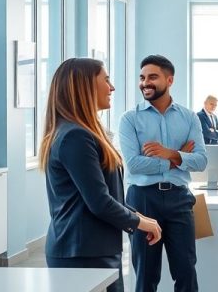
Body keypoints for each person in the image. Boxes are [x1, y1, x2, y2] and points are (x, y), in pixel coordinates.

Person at [40, 58, 162, 292]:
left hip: (94, 249)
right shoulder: (76, 137)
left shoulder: (81, 133)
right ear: (84, 86)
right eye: (106, 80)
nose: (112, 87)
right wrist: (141, 222)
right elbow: (100, 202)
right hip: (81, 253)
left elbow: (108, 195)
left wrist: (139, 217)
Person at [119, 55, 208, 292]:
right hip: (142, 200)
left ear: (169, 80)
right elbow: (134, 165)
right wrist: (178, 157)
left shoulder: (189, 117)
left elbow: (201, 161)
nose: (145, 83)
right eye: (142, 78)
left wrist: (169, 153)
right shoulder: (129, 119)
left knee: (186, 270)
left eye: (152, 77)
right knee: (146, 274)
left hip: (180, 198)